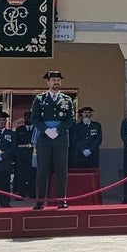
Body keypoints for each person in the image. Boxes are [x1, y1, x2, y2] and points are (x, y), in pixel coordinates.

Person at [31, 71, 75, 209]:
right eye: (53, 80)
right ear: (48, 82)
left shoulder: (67, 99)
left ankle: (62, 200)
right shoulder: (40, 99)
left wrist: (58, 130)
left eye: (58, 80)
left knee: (61, 170)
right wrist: (46, 130)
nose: (56, 82)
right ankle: (40, 201)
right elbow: (35, 118)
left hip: (60, 137)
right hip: (44, 138)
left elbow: (71, 119)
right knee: (42, 170)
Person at [14, 111, 36, 198]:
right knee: (21, 174)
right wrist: (16, 154)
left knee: (33, 174)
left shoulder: (36, 129)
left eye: (30, 118)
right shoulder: (19, 129)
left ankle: (33, 193)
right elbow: (15, 142)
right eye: (26, 118)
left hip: (33, 154)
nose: (28, 119)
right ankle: (21, 193)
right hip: (22, 155)